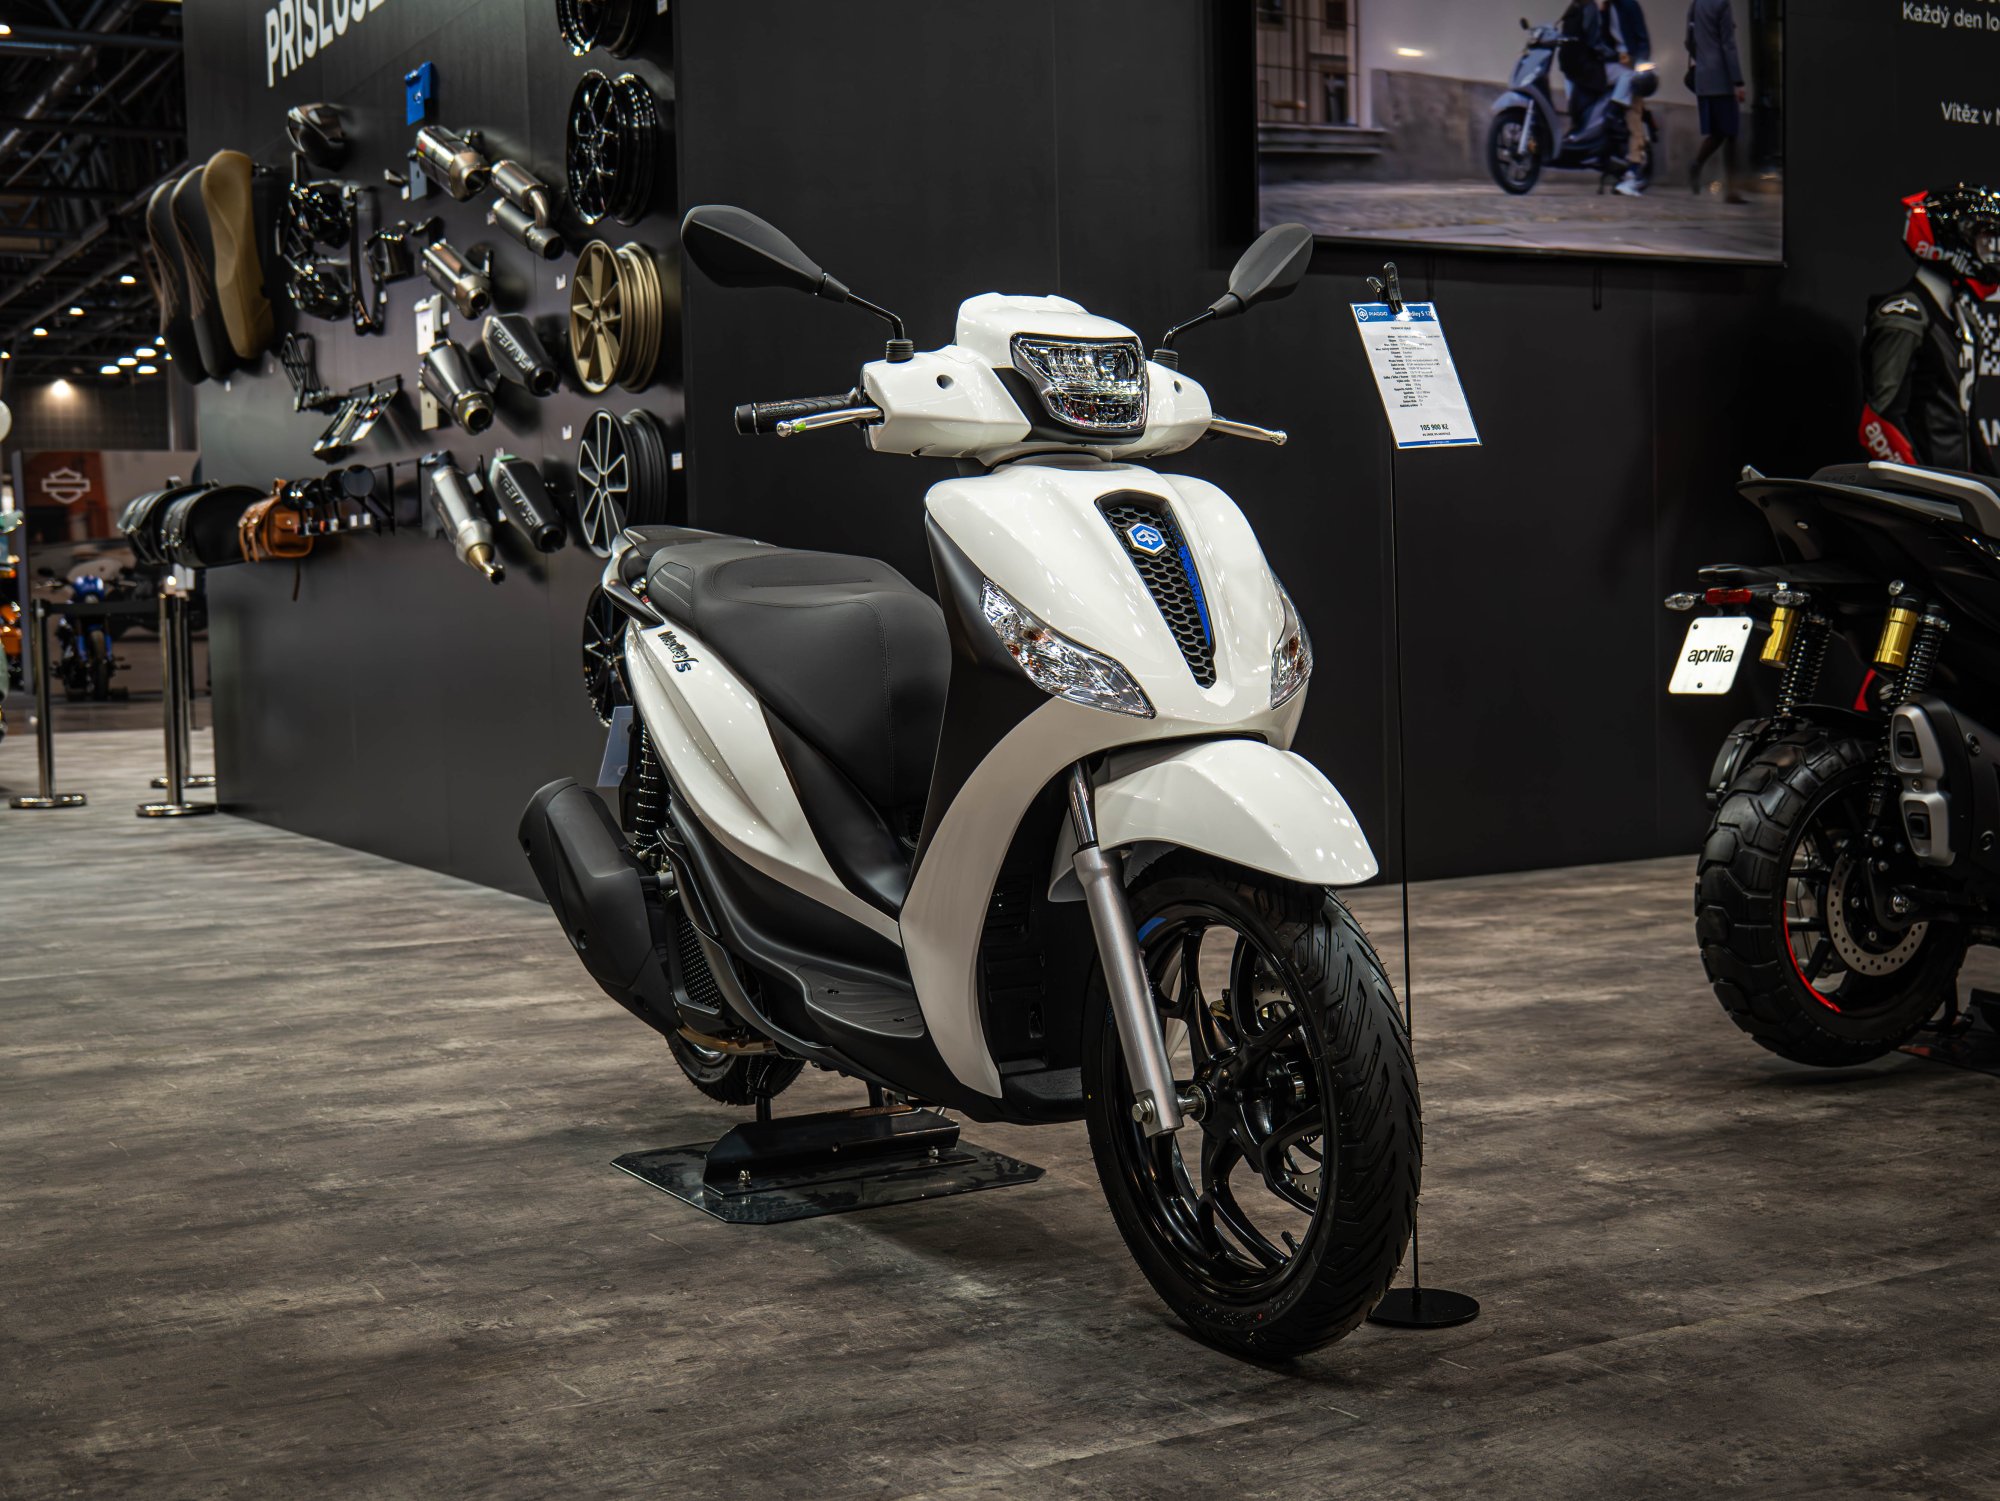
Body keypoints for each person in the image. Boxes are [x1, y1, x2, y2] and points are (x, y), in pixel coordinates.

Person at [1859, 185, 2000, 475]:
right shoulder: (1904, 315)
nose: (1992, 252)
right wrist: (1919, 489)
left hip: (1955, 489)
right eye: (1983, 239)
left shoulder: (1963, 320)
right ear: (1953, 239)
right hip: (1926, 493)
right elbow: (1879, 421)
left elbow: (1966, 419)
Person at [1686, 0, 1746, 202]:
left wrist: (1703, 59)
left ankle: (1697, 164)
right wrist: (1738, 81)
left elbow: (1688, 41)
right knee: (1731, 134)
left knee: (1719, 132)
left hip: (1703, 78)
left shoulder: (1696, 4)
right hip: (1721, 78)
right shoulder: (1722, 4)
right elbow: (1728, 44)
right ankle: (1732, 191)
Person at [1603, 0, 1654, 197]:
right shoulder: (1606, 8)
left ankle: (1634, 171)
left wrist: (1639, 69)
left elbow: (1643, 41)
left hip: (1632, 65)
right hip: (1614, 64)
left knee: (1633, 114)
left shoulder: (1629, 5)